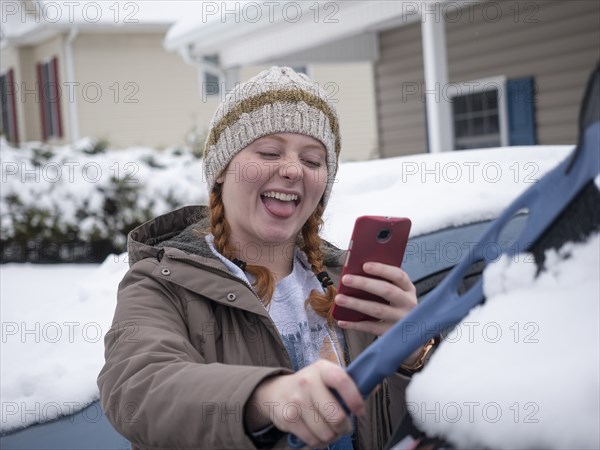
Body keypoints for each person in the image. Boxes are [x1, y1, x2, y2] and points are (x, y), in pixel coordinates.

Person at [98, 66, 432, 450]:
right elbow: (137, 389)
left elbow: (412, 424)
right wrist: (264, 397)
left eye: (312, 160)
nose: (292, 170)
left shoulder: (348, 284)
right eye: (269, 152)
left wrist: (413, 351)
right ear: (222, 169)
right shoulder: (162, 282)